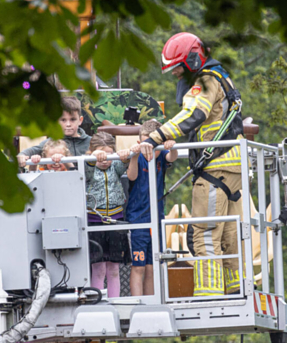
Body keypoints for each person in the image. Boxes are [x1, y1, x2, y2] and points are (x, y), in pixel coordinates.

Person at [145, 32, 245, 297]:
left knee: (204, 234)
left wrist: (156, 136)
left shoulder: (204, 81)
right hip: (233, 167)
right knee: (229, 235)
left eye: (177, 68)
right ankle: (237, 289)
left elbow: (193, 114)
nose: (176, 74)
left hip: (214, 170)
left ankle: (209, 294)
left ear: (191, 60)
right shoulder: (221, 76)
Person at [126, 119, 176, 296]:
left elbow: (172, 157)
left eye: (152, 144)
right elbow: (131, 177)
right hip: (138, 219)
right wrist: (133, 155)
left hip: (157, 218)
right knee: (138, 267)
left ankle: (151, 302)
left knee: (152, 266)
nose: (148, 149)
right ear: (139, 143)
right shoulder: (138, 157)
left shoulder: (162, 153)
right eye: (144, 144)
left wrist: (172, 145)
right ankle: (137, 304)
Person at [84, 131, 133, 298]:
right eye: (101, 156)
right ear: (91, 153)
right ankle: (95, 302)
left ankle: (115, 302)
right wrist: (92, 159)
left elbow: (124, 162)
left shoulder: (115, 166)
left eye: (109, 155)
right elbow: (86, 171)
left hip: (115, 219)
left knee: (114, 268)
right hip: (94, 220)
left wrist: (125, 155)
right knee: (98, 268)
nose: (105, 160)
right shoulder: (88, 167)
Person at [17, 96, 92, 167]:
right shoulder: (52, 142)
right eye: (63, 120)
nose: (68, 124)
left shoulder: (91, 142)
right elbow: (32, 150)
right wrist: (22, 155)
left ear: (80, 120)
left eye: (72, 119)